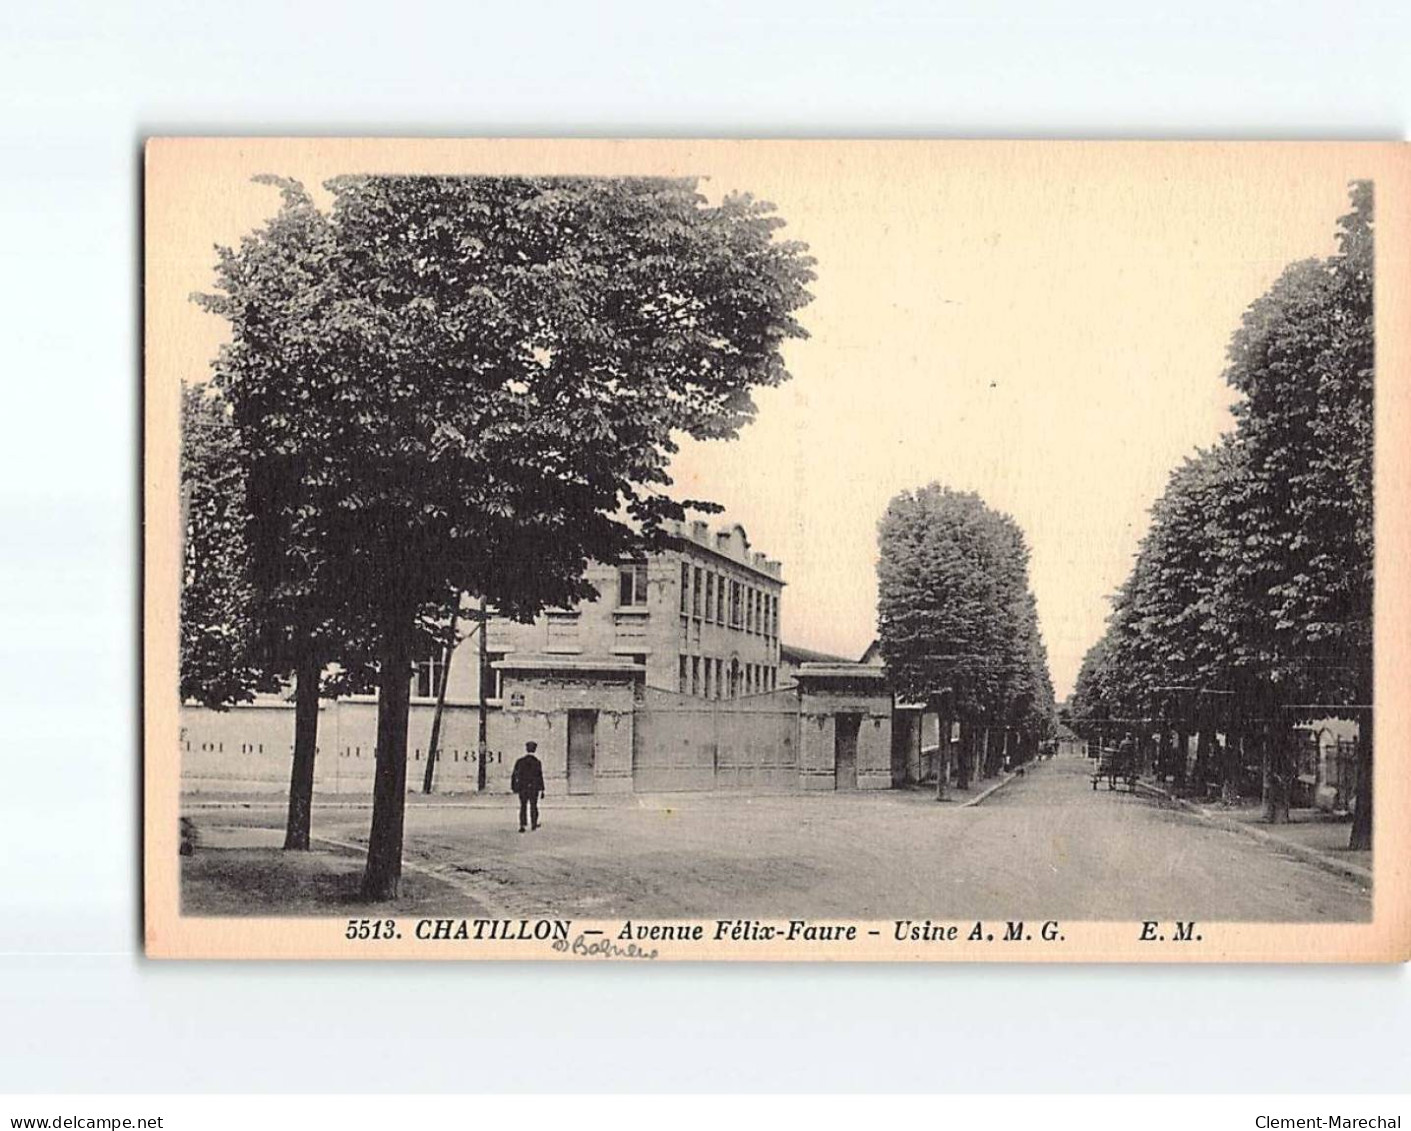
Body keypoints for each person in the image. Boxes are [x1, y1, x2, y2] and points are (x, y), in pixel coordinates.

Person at [510, 741, 545, 833]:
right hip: (534, 788)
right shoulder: (537, 762)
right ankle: (533, 824)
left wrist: (514, 786)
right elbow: (539, 776)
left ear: (526, 749)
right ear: (535, 749)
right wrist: (542, 789)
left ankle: (522, 825)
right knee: (534, 806)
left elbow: (514, 775)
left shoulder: (520, 761)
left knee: (523, 806)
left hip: (523, 787)